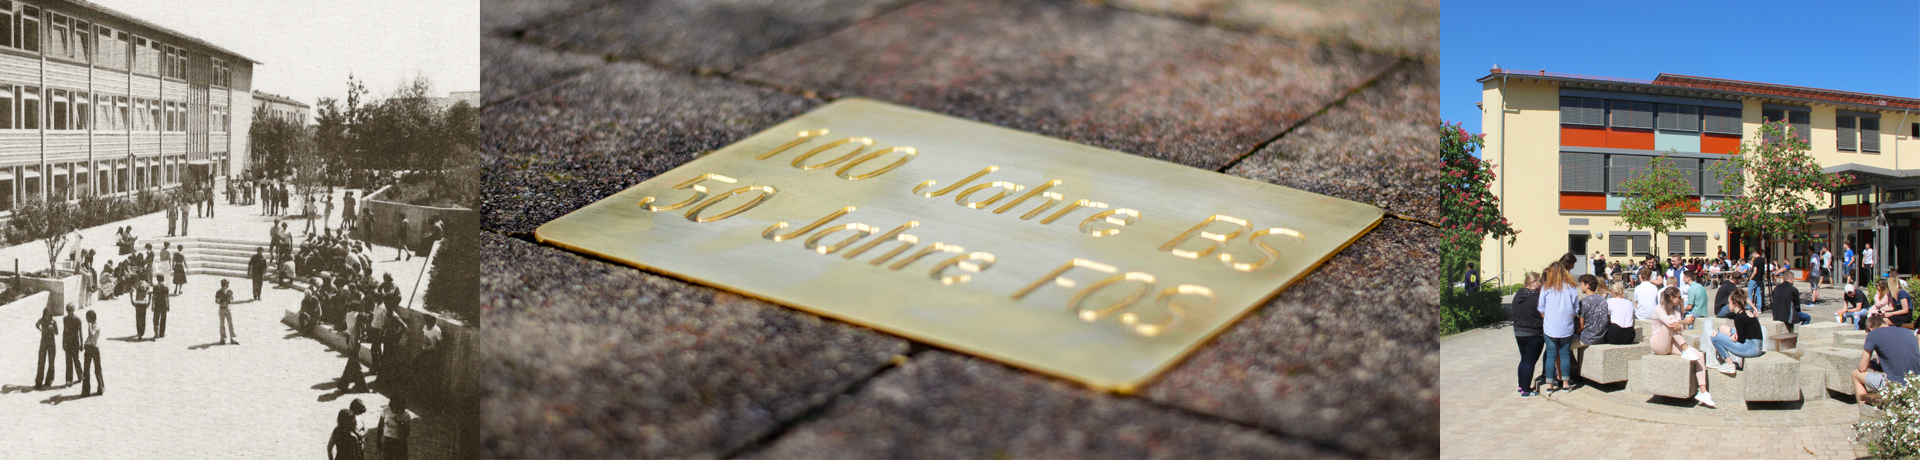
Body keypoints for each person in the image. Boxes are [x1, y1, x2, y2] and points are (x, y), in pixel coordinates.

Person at [1650, 286, 1715, 407]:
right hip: (1658, 344)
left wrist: (1681, 324)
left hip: (1672, 342)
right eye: (1679, 297)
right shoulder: (1658, 309)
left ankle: (1703, 391)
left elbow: (1681, 329)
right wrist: (1684, 322)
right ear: (1672, 297)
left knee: (1699, 355)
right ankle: (1685, 349)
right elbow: (1671, 323)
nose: (1681, 299)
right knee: (1670, 322)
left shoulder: (1676, 310)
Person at [1853, 315, 1920, 406]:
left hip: (1897, 385)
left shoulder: (1873, 334)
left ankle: (1863, 411)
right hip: (1916, 382)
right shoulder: (1907, 331)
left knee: (1855, 374)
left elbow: (1862, 368)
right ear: (1885, 324)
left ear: (1870, 328)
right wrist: (1877, 365)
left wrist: (1870, 364)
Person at [1537, 262, 1579, 393]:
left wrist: (1548, 318)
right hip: (1566, 327)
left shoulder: (1546, 288)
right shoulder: (1571, 288)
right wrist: (1568, 318)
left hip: (1550, 327)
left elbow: (1541, 308)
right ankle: (1565, 383)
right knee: (1565, 355)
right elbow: (1576, 308)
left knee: (1551, 356)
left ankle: (1549, 384)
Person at [1708, 289, 1766, 375]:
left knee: (1714, 336)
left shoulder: (1739, 318)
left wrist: (1731, 336)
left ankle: (1729, 365)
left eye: (1729, 303)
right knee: (1723, 328)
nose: (1727, 305)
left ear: (1735, 303)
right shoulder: (1747, 311)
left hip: (1751, 348)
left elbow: (1741, 340)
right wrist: (1734, 334)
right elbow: (1746, 332)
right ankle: (1720, 359)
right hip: (1755, 345)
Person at [1575, 274, 1611, 350]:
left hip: (1588, 338)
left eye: (1582, 284)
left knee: (1564, 345)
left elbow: (1581, 326)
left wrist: (1576, 332)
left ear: (1587, 286)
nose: (1580, 286)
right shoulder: (1603, 300)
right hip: (1602, 337)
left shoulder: (1584, 302)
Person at [34, 308, 57, 388]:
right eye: (46, 315)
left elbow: (57, 332)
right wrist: (41, 329)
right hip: (43, 342)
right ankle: (38, 382)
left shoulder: (53, 322)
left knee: (51, 362)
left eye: (48, 315)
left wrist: (53, 329)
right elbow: (37, 324)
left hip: (51, 342)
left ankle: (49, 380)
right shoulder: (41, 320)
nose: (47, 316)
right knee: (41, 361)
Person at [80, 310, 101, 396]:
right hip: (88, 348)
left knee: (97, 369)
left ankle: (101, 387)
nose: (86, 319)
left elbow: (92, 334)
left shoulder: (96, 326)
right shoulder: (92, 325)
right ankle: (86, 390)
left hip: (94, 348)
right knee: (86, 370)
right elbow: (89, 337)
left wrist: (89, 327)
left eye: (87, 317)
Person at [61, 305, 81, 384]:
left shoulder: (77, 319)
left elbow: (80, 332)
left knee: (76, 359)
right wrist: (63, 342)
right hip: (68, 341)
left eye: (71, 311)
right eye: (68, 311)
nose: (70, 313)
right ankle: (69, 380)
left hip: (75, 341)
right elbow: (64, 331)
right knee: (68, 361)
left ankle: (80, 375)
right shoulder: (65, 319)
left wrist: (81, 343)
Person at [217, 279, 237, 345]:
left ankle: (232, 338)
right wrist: (221, 303)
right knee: (222, 324)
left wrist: (230, 301)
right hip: (222, 309)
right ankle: (223, 338)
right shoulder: (219, 292)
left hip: (227, 309)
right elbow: (216, 300)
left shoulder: (229, 291)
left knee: (230, 323)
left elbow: (232, 299)